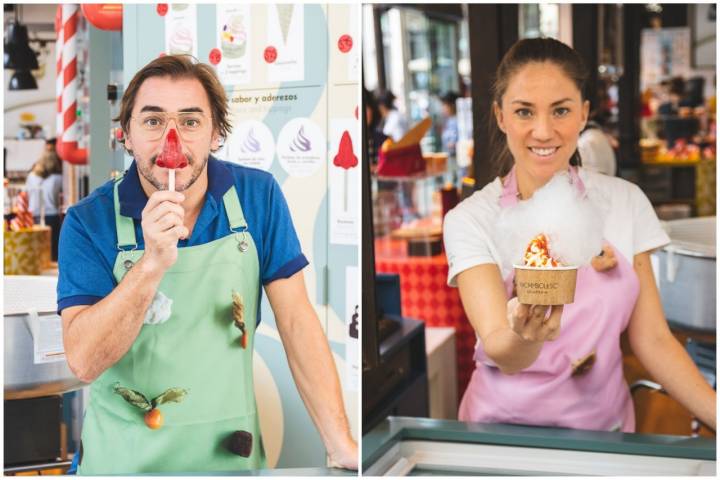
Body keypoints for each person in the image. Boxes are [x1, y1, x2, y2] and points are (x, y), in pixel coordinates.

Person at [57, 55, 357, 474]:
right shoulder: (87, 221)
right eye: (153, 121)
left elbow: (296, 323)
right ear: (125, 135)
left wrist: (340, 442)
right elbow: (84, 361)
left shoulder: (258, 196)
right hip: (122, 463)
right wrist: (150, 264)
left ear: (217, 134)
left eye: (191, 122)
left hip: (227, 459)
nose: (171, 139)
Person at [443, 38, 716, 433]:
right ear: (500, 117)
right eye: (524, 112)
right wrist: (526, 336)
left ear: (584, 114)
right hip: (500, 435)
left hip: (603, 435)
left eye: (561, 111)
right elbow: (504, 351)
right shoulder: (470, 219)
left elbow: (654, 340)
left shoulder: (624, 203)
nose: (543, 131)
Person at [25, 138, 63, 260]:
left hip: (32, 214)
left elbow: (26, 195)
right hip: (52, 216)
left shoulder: (31, 176)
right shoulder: (58, 178)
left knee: (35, 248)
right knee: (52, 250)